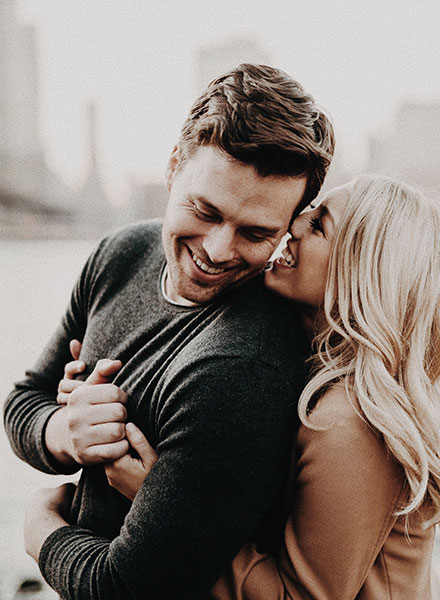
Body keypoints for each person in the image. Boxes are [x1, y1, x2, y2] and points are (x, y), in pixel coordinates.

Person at [53, 175, 440, 598]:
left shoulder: (351, 420)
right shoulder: (310, 368)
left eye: (319, 225)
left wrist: (163, 502)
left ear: (363, 273)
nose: (293, 225)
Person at [5, 63, 334, 599]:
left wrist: (41, 531)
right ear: (174, 167)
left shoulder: (242, 368)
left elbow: (131, 588)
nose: (218, 250)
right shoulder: (121, 255)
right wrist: (66, 433)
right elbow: (25, 398)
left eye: (256, 233)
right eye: (204, 210)